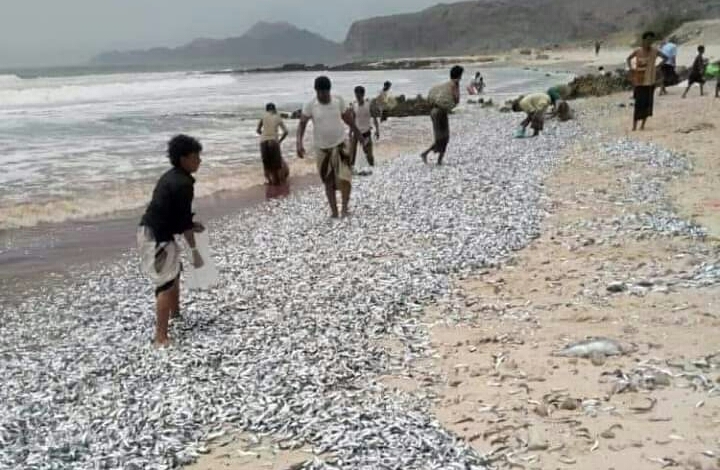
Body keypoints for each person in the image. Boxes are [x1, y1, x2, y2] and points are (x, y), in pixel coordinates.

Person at [137, 135, 205, 347]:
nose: (199, 161)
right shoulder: (183, 183)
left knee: (174, 272)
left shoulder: (172, 176)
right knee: (165, 284)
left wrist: (191, 225)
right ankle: (160, 337)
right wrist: (195, 251)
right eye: (195, 157)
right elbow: (183, 224)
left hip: (155, 231)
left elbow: (178, 217)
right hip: (156, 237)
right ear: (183, 159)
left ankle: (175, 313)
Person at [297, 76, 362, 218]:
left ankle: (344, 208)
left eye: (325, 92)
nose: (322, 95)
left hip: (340, 144)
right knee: (328, 181)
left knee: (345, 178)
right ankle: (334, 211)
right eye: (320, 92)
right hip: (322, 148)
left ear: (329, 90)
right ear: (316, 91)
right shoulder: (310, 105)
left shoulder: (338, 100)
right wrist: (299, 143)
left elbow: (348, 119)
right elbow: (302, 124)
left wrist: (358, 134)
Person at [421, 65, 463, 165]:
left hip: (434, 112)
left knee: (441, 137)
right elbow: (456, 99)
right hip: (440, 112)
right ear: (459, 75)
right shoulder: (455, 84)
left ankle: (432, 157)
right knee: (444, 138)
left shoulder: (447, 84)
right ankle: (431, 157)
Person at [627, 31, 667, 131]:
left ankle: (642, 126)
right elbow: (628, 59)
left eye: (651, 40)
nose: (650, 42)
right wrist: (631, 69)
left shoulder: (655, 51)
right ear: (644, 40)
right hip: (639, 82)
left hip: (650, 82)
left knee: (648, 104)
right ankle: (634, 126)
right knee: (638, 104)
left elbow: (666, 58)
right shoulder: (638, 51)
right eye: (648, 40)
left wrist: (658, 66)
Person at [256, 103, 289, 186]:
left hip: (263, 142)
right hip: (273, 141)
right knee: (277, 166)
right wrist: (280, 141)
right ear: (274, 109)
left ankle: (270, 182)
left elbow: (258, 130)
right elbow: (286, 132)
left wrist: (264, 135)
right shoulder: (277, 117)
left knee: (266, 165)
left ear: (266, 110)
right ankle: (280, 183)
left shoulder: (263, 116)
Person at [349, 86, 380, 172]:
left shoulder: (368, 105)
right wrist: (350, 132)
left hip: (366, 133)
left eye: (359, 96)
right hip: (356, 133)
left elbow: (374, 118)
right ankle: (351, 170)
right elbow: (352, 120)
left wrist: (377, 130)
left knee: (369, 155)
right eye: (356, 95)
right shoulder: (354, 105)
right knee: (352, 153)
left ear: (363, 95)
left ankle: (373, 169)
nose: (357, 97)